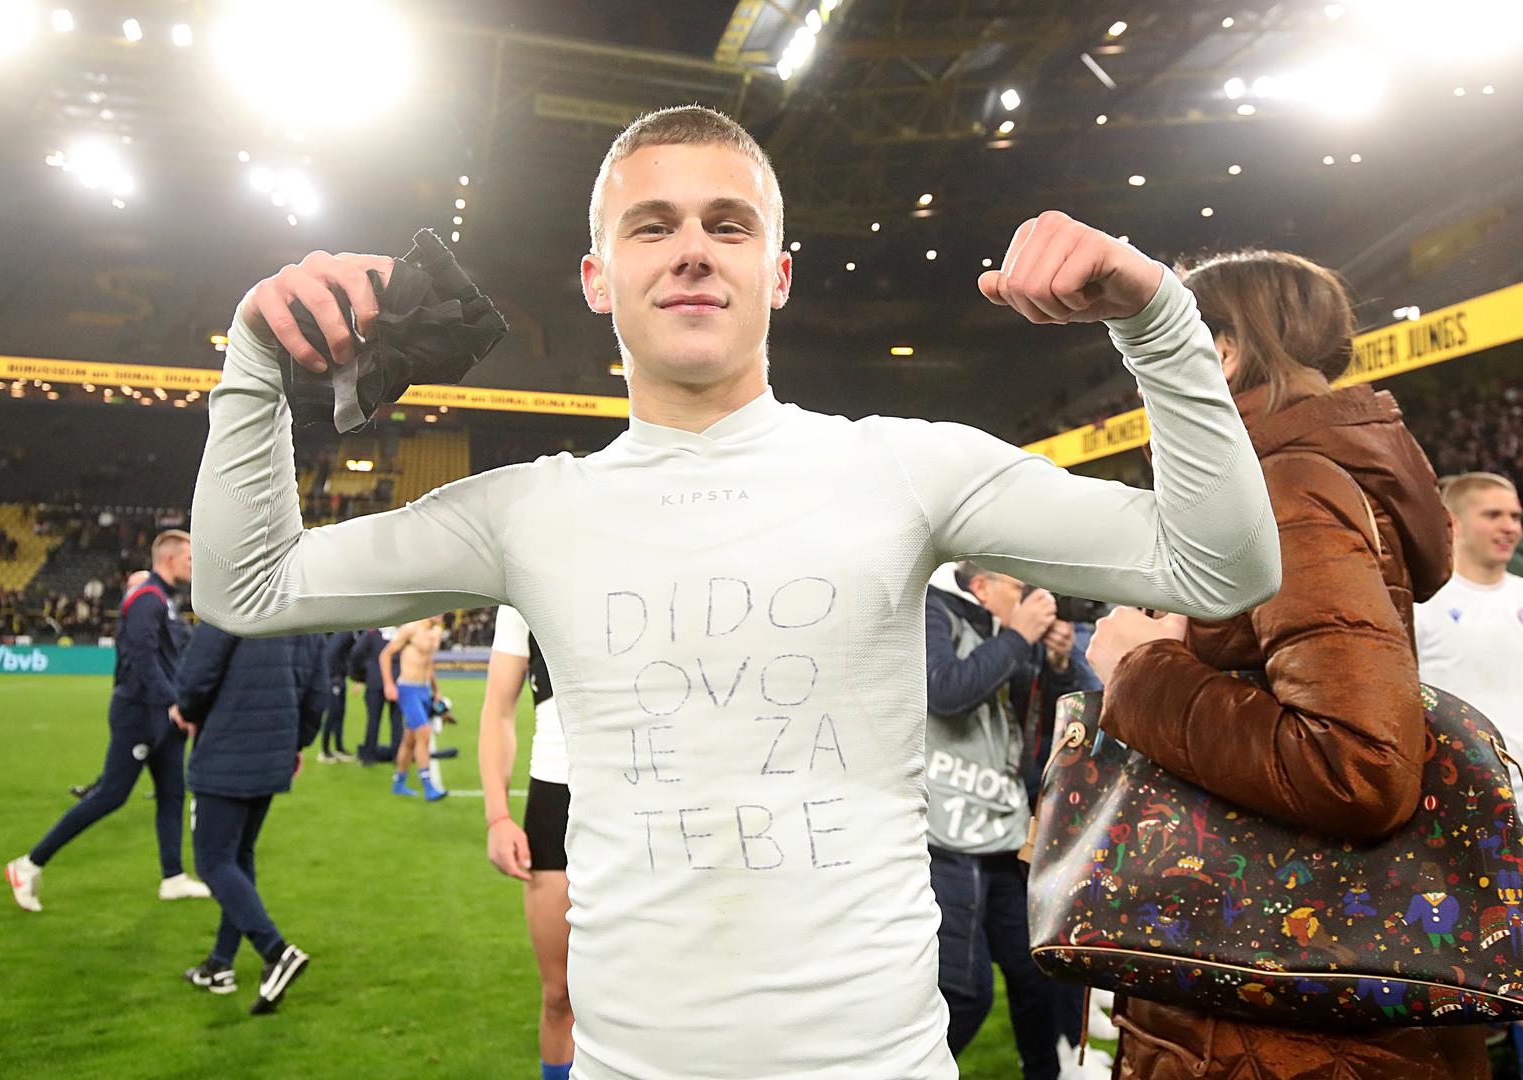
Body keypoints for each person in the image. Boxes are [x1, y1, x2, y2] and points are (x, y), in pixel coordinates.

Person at [190, 106, 1281, 1078]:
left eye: (729, 224)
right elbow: (247, 585)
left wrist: (1158, 321)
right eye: (651, 226)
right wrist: (253, 360)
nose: (693, 254)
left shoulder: (904, 467)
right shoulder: (526, 512)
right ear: (596, 276)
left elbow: (1219, 566)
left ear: (780, 272)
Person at [1084, 249, 1485, 1078]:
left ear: (1221, 351)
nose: (1139, 382)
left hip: (1278, 1032)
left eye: (1150, 347)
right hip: (1288, 1007)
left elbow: (1357, 765)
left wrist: (1141, 669)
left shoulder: (1283, 485)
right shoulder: (1288, 478)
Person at [922, 561, 1087, 1078]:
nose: (1028, 599)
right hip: (949, 836)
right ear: (980, 586)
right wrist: (1019, 636)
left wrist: (1056, 663)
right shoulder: (931, 611)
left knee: (1037, 977)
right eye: (1018, 588)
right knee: (964, 992)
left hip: (1002, 831)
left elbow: (1030, 718)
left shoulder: (1003, 634)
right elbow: (946, 692)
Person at [7, 533, 211, 911]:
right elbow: (143, 660)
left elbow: (168, 658)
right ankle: (28, 864)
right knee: (111, 795)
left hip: (161, 713)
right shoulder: (147, 599)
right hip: (139, 712)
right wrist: (175, 704)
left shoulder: (163, 600)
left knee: (172, 793)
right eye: (188, 558)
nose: (192, 565)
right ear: (167, 559)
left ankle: (173, 877)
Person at [174, 623, 327, 1014]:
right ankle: (220, 964)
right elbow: (317, 689)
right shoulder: (303, 608)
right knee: (239, 856)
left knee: (213, 861)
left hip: (227, 747)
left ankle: (276, 951)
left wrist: (186, 709)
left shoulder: (229, 596)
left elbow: (196, 676)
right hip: (274, 748)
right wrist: (297, 742)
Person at [480, 605, 574, 1080]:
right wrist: (498, 814)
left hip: (645, 800)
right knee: (559, 995)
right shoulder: (526, 583)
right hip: (555, 794)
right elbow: (498, 708)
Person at [1415, 473, 1523, 769]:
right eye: (1493, 515)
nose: (1509, 527)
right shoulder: (1422, 603)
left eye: (1515, 516)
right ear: (1454, 522)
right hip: (1463, 791)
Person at [71, 570, 153, 800]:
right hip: (133, 695)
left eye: (134, 586)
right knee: (153, 751)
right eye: (128, 586)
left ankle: (100, 791)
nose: (129, 591)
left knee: (127, 750)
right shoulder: (132, 615)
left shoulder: (150, 616)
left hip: (143, 699)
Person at [381, 616, 447, 801]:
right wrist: (389, 685)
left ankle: (399, 783)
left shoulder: (436, 632)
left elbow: (429, 663)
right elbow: (385, 654)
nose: (441, 615)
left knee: (409, 741)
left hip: (424, 690)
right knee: (424, 733)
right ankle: (428, 787)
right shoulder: (411, 628)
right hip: (408, 689)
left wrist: (436, 690)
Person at [348, 626, 401, 764]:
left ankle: (368, 756)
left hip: (374, 681)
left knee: (373, 721)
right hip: (397, 681)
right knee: (397, 721)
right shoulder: (402, 633)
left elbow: (356, 653)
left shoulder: (372, 634)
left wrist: (361, 674)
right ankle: (398, 755)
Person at [317, 629, 358, 763]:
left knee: (340, 713)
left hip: (340, 678)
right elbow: (331, 654)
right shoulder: (345, 634)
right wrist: (333, 678)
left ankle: (339, 748)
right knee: (332, 714)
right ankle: (324, 750)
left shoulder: (349, 634)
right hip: (334, 679)